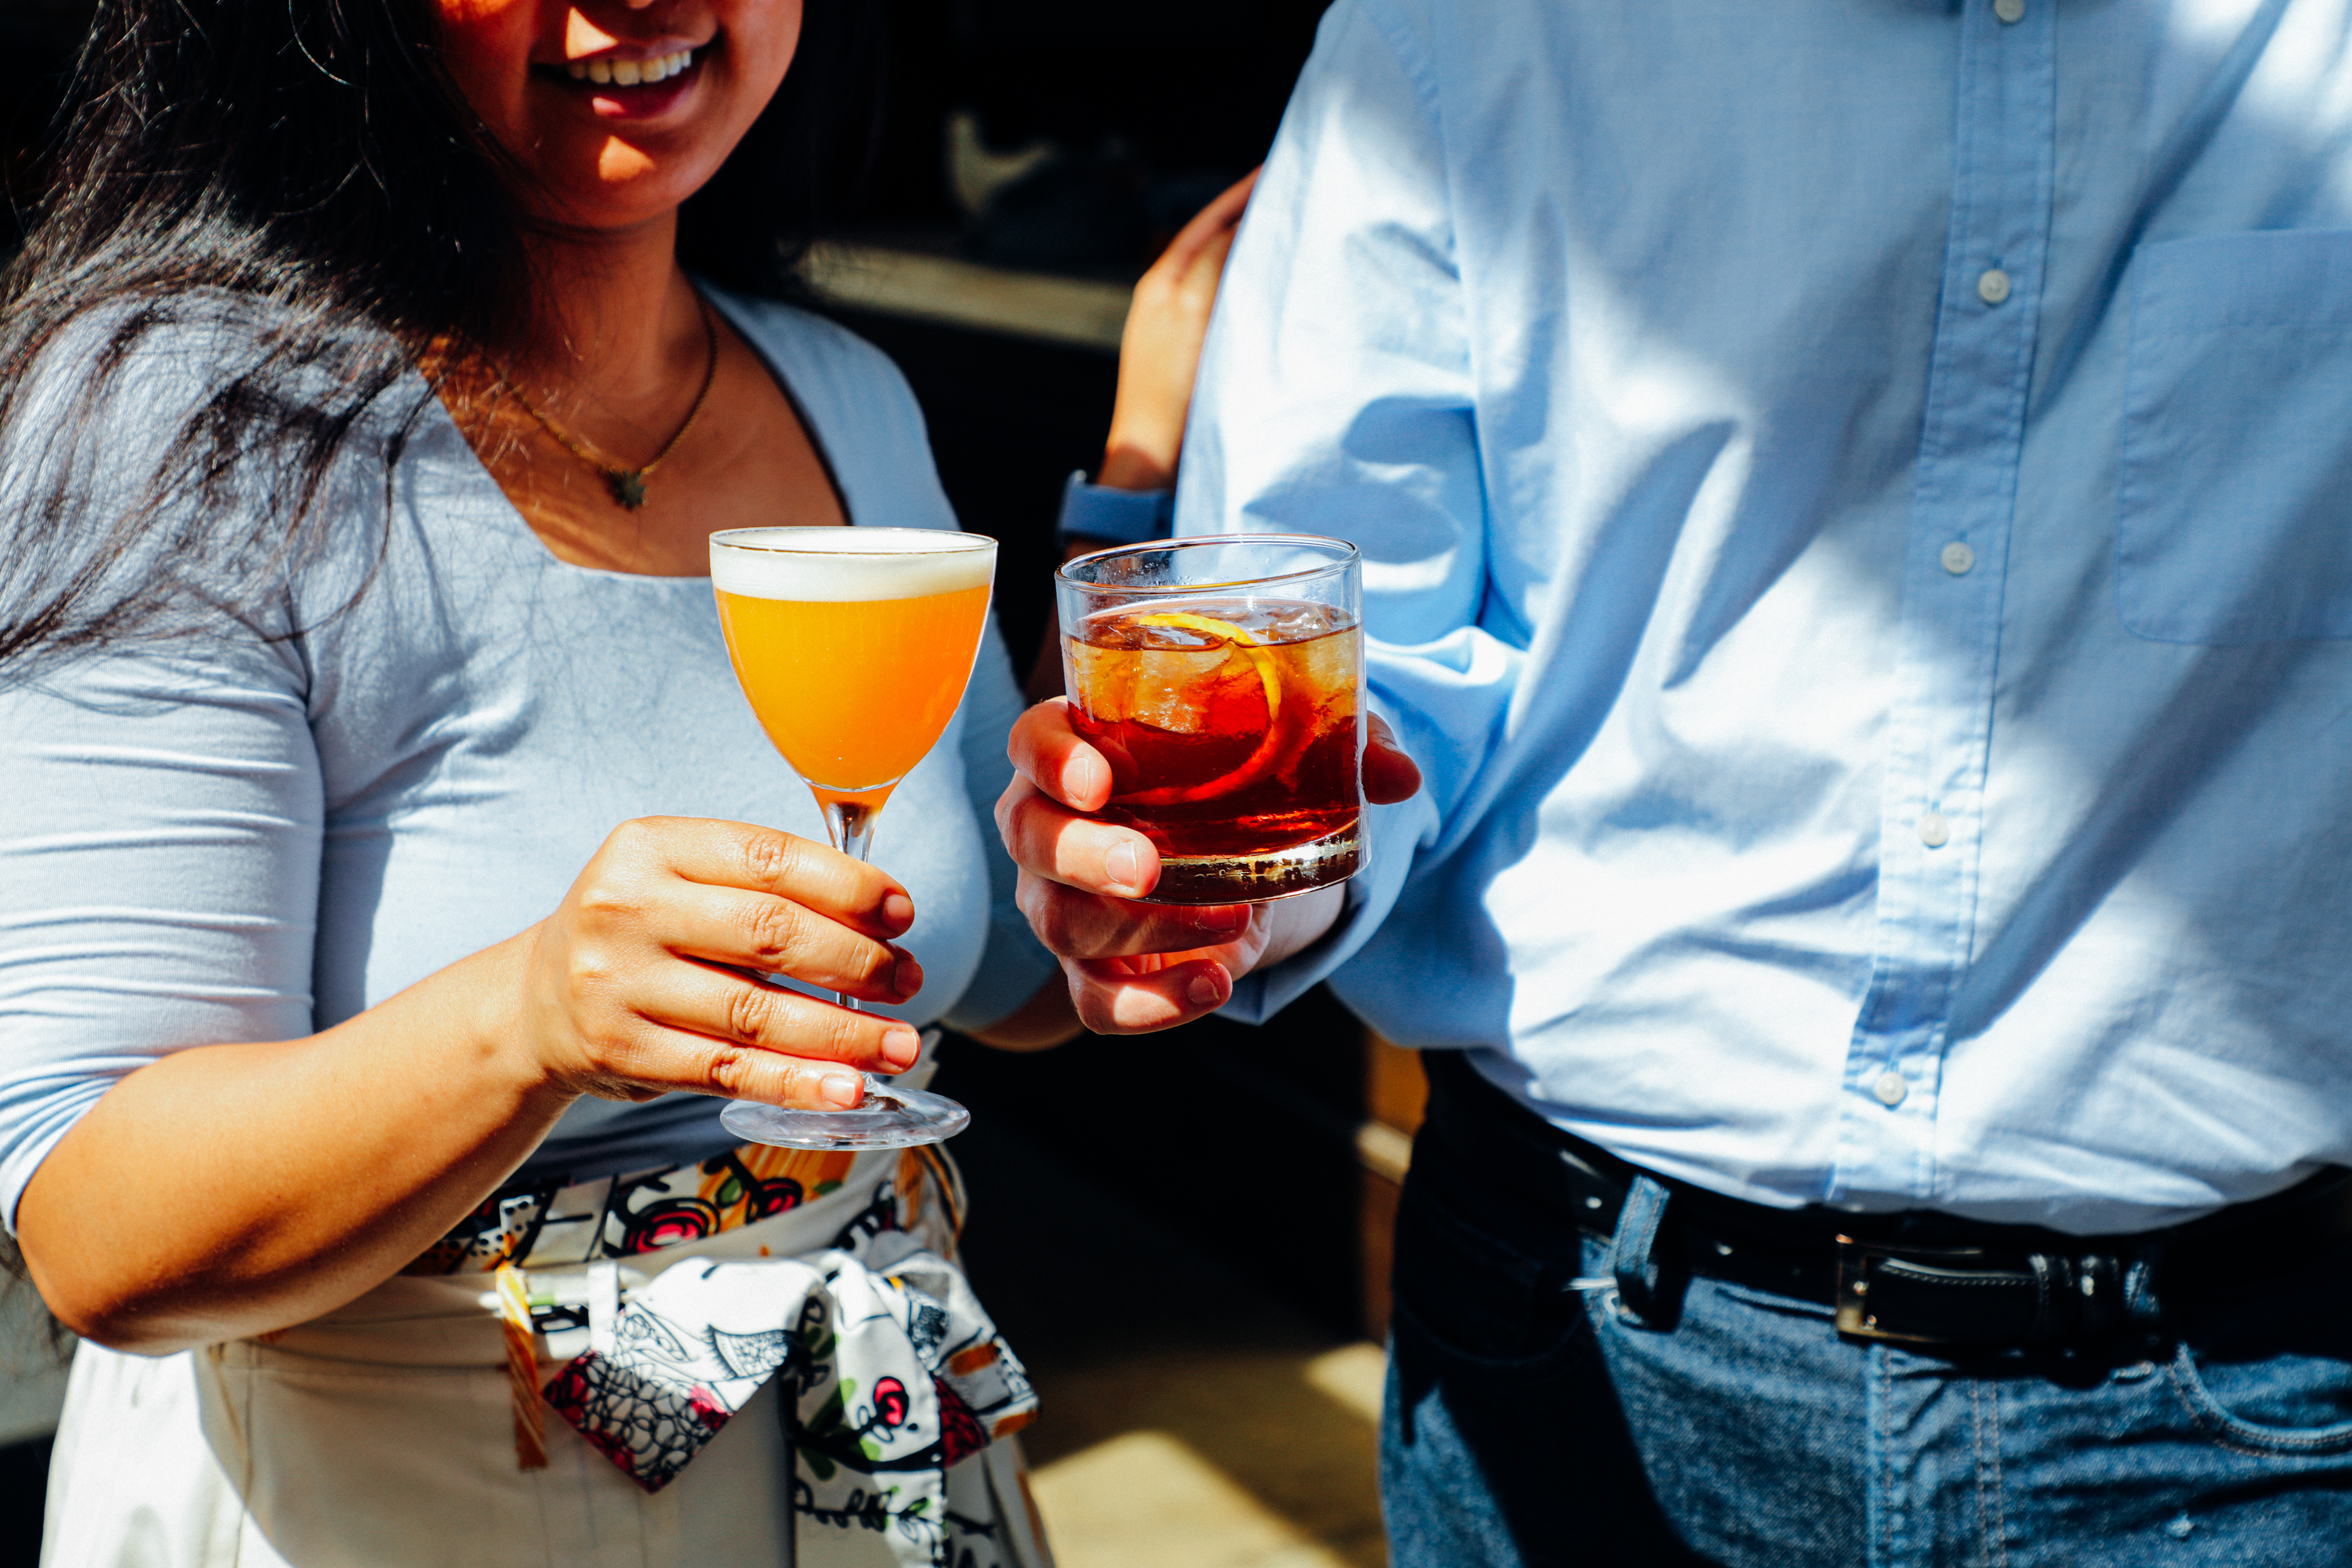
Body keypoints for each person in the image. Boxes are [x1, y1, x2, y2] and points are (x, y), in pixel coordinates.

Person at [996, 0, 2352, 1562]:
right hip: (1577, 1339)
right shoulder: (1463, 32)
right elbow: (1358, 673)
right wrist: (1213, 893)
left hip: (2241, 1397)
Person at [0, 0, 1253, 1558]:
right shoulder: (174, 416)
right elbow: (97, 1234)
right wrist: (530, 1019)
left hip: (870, 1451)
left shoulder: (841, 388)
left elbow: (1006, 971)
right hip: (402, 1492)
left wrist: (1142, 496)